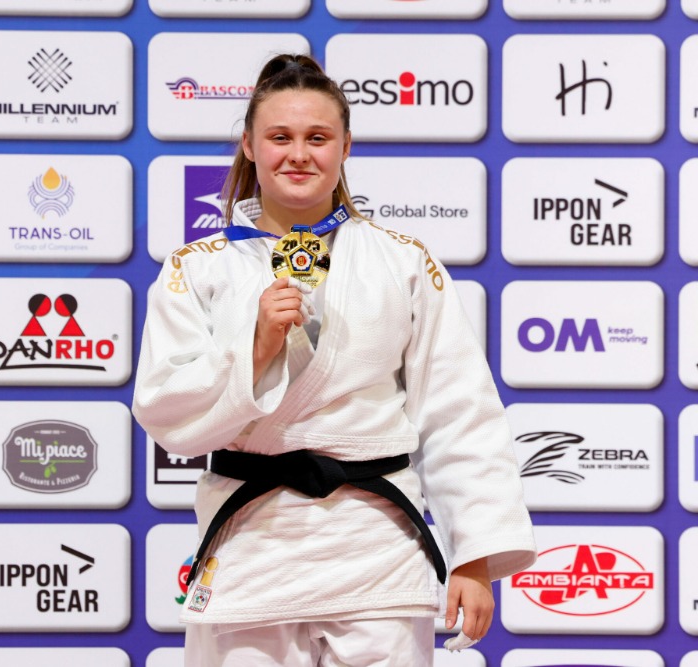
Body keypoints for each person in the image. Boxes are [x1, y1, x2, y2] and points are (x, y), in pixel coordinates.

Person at [133, 53, 536, 666]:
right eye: (280, 137)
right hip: (252, 546)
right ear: (249, 146)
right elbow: (166, 411)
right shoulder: (197, 267)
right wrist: (255, 348)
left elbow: (459, 413)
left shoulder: (403, 262)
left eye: (318, 138)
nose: (299, 154)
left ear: (345, 147)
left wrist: (474, 557)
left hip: (376, 548)